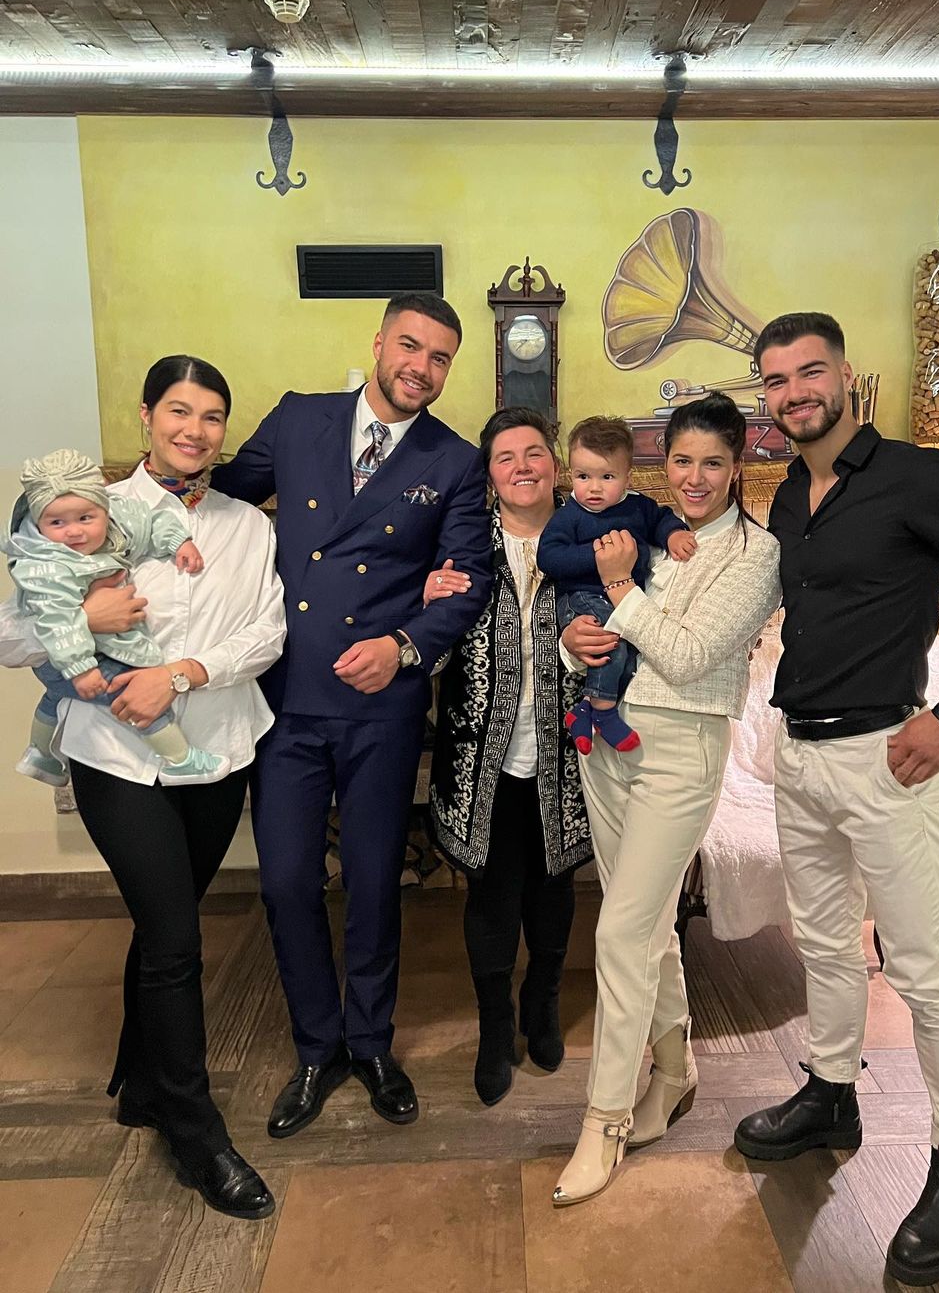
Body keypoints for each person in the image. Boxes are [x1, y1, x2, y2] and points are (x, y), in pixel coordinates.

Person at [733, 312, 939, 1287]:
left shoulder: (918, 476)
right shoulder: (789, 498)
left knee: (921, 969)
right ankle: (831, 1094)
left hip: (890, 760)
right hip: (800, 754)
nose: (794, 392)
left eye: (810, 372)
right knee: (824, 942)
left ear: (845, 378)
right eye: (776, 380)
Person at [0, 355, 287, 1220]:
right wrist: (81, 619)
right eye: (179, 411)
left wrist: (184, 673)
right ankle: (195, 1129)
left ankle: (141, 1078)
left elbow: (266, 632)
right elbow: (10, 636)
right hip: (116, 756)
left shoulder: (246, 523)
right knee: (174, 939)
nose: (195, 430)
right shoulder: (90, 510)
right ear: (146, 416)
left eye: (211, 417)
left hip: (217, 749)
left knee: (169, 923)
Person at [212, 292, 492, 1139]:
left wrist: (403, 644)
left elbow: (468, 580)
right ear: (378, 342)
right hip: (289, 698)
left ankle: (370, 1043)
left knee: (374, 882)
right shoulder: (300, 418)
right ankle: (315, 1046)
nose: (421, 367)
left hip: (380, 704)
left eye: (440, 358)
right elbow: (222, 504)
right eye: (410, 346)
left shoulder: (455, 460)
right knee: (286, 881)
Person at [553, 393, 781, 1206]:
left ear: (738, 466)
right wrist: (572, 643)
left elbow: (685, 656)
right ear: (663, 463)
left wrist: (620, 585)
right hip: (607, 743)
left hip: (682, 752)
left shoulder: (756, 554)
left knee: (619, 933)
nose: (695, 477)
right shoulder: (645, 528)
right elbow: (592, 618)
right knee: (642, 924)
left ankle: (605, 1117)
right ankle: (677, 1070)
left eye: (713, 462)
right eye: (682, 460)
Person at [427, 407, 593, 1106]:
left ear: (555, 465)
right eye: (505, 457)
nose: (522, 467)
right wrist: (426, 598)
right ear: (489, 475)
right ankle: (495, 1027)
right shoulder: (463, 544)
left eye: (534, 453)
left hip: (568, 756)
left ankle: (543, 1003)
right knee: (492, 896)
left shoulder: (590, 539)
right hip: (480, 759)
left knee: (555, 888)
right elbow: (428, 642)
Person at [3, 448, 228, 787]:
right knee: (133, 692)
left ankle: (39, 753)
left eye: (85, 518)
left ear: (104, 510)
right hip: (66, 656)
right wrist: (81, 667)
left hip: (73, 656)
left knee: (55, 693)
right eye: (56, 523)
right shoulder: (47, 566)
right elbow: (57, 622)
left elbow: (147, 521)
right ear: (38, 522)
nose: (73, 532)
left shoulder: (115, 524)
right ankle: (181, 760)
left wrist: (178, 543)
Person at [537, 416, 695, 754]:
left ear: (627, 477)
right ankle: (604, 710)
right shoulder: (569, 516)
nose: (593, 488)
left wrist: (673, 534)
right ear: (570, 474)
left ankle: (584, 711)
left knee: (633, 649)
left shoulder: (638, 506)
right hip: (581, 595)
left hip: (625, 596)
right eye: (583, 476)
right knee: (613, 641)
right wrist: (598, 556)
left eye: (606, 477)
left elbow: (661, 519)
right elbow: (548, 557)